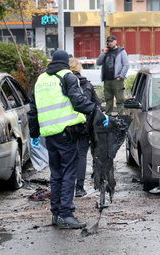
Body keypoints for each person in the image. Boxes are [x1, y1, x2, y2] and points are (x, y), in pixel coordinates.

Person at [28, 50, 108, 229]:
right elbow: (78, 102)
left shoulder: (41, 80)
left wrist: (34, 134)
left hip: (50, 135)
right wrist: (99, 113)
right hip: (67, 134)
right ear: (66, 62)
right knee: (68, 174)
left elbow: (33, 110)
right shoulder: (68, 76)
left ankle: (56, 214)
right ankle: (66, 214)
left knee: (56, 175)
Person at [69, 58, 101, 197]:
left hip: (67, 126)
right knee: (82, 155)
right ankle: (80, 188)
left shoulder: (62, 83)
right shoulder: (87, 84)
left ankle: (66, 188)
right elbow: (96, 105)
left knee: (67, 156)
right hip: (84, 125)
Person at [96, 35, 129, 116]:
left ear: (115, 42)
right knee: (108, 99)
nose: (110, 43)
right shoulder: (105, 52)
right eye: (108, 42)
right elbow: (98, 62)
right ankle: (108, 115)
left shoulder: (121, 51)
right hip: (107, 80)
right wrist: (103, 53)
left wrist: (121, 76)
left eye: (111, 41)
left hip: (117, 80)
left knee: (119, 99)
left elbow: (126, 65)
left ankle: (121, 116)